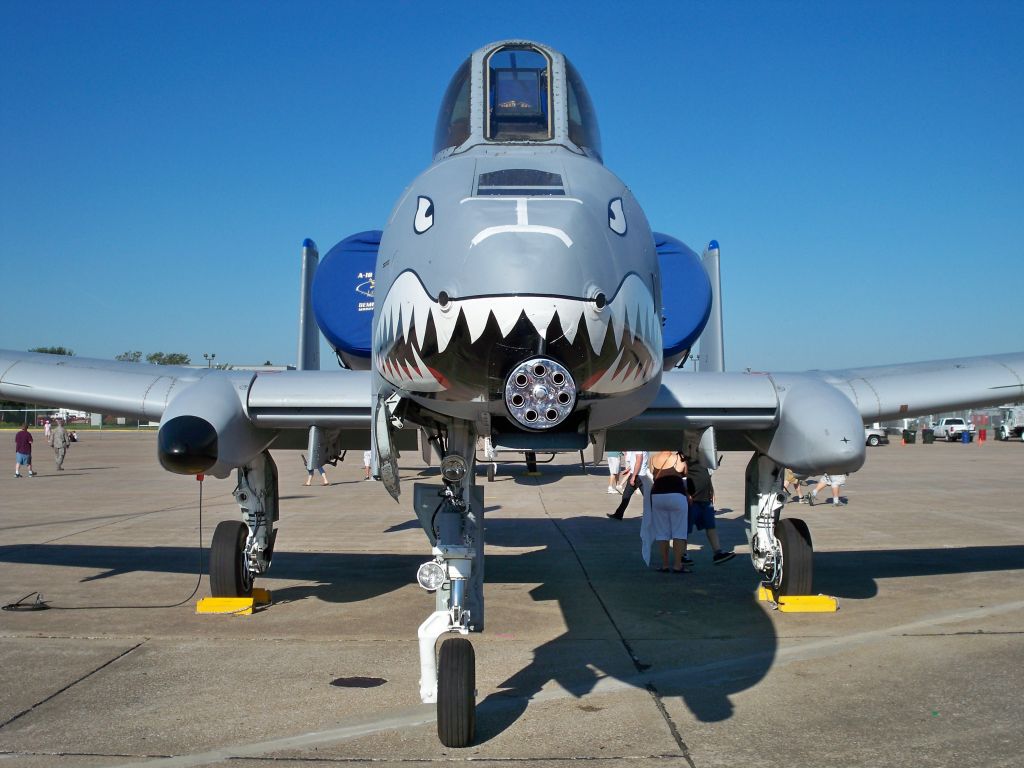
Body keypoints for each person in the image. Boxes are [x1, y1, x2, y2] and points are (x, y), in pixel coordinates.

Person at [685, 452, 735, 564]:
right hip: (693, 498)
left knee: (711, 526)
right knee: (686, 529)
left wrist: (711, 489)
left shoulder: (703, 453)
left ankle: (718, 552)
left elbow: (707, 474)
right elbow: (682, 474)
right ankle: (682, 553)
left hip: (705, 498)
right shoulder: (685, 453)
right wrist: (686, 492)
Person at [645, 451, 690, 572]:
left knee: (661, 532)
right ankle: (677, 565)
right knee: (679, 532)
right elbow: (685, 472)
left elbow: (651, 473)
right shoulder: (677, 458)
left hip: (657, 496)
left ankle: (665, 565)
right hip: (676, 495)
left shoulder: (653, 458)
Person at [607, 450, 649, 519]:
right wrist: (629, 469)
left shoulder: (639, 447)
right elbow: (638, 460)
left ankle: (618, 514)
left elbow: (639, 460)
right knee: (646, 497)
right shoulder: (642, 446)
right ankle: (618, 514)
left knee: (626, 496)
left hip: (637, 475)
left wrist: (633, 476)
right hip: (641, 475)